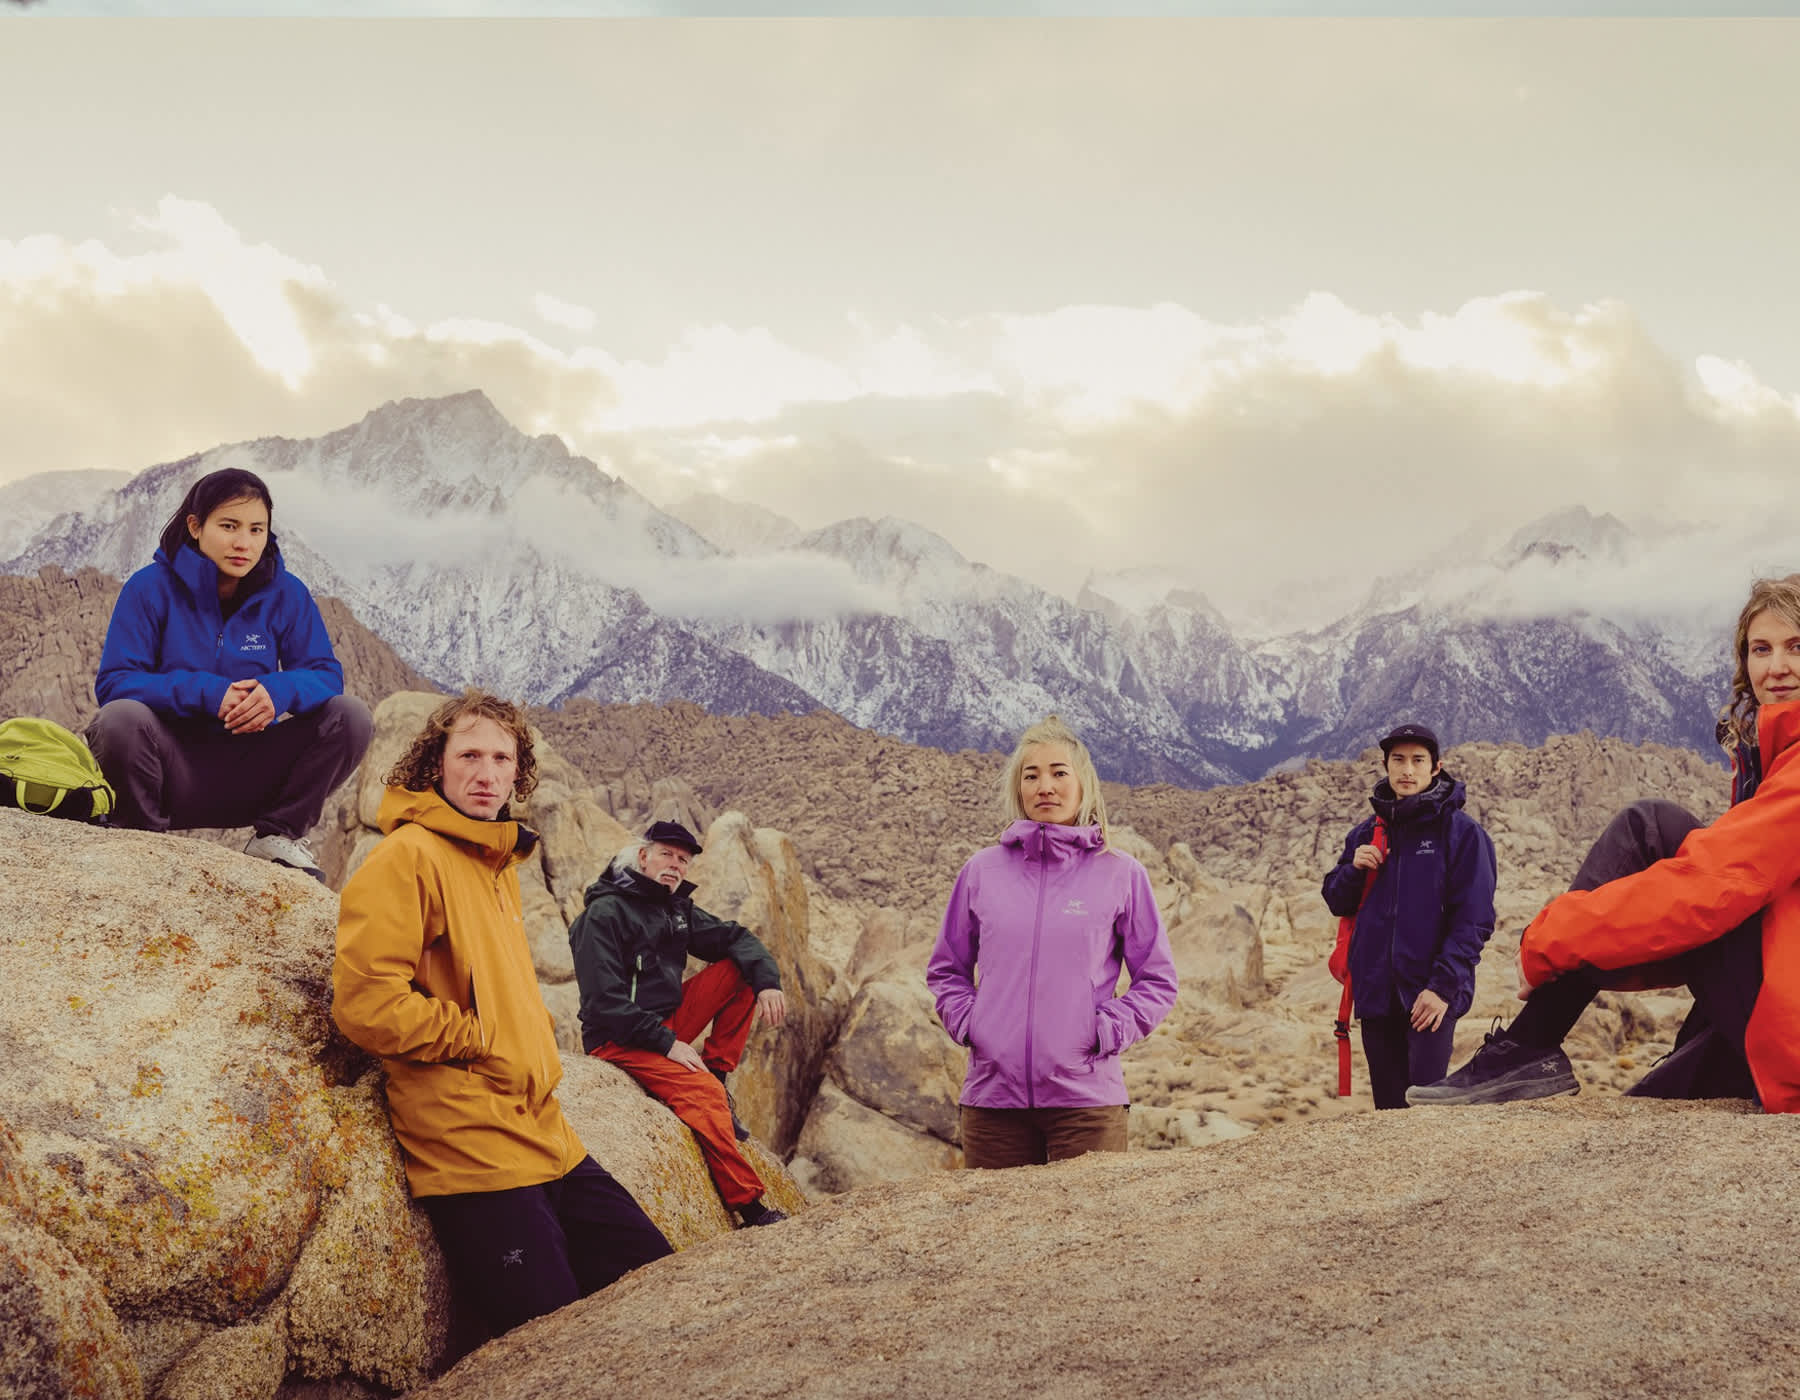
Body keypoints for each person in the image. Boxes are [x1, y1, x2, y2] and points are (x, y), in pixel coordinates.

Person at [333, 691, 672, 1340]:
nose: (486, 773)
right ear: (437, 767)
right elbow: (366, 1003)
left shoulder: (494, 861)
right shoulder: (407, 858)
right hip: (472, 1151)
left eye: (501, 757)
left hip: (546, 1136)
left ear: (519, 772)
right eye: (469, 755)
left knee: (663, 1288)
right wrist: (476, 1037)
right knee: (555, 1345)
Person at [1408, 573, 1800, 1112]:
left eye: (1795, 646)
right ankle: (1534, 1046)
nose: (1776, 666)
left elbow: (1711, 887)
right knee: (1648, 1106)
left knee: (1652, 827)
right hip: (1775, 1010)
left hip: (1790, 1032)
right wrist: (1594, 950)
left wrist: (1549, 943)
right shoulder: (1775, 759)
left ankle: (1530, 1043)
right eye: (1762, 649)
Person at [85, 467, 372, 881]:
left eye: (257, 529)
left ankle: (276, 836)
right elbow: (116, 682)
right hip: (169, 769)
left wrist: (279, 690)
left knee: (352, 716)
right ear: (196, 526)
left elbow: (325, 674)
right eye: (229, 526)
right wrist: (209, 693)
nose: (244, 542)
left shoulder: (286, 594)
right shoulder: (148, 589)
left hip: (250, 769)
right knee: (119, 722)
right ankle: (143, 840)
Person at [926, 714, 1179, 1169]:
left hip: (1086, 1102)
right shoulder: (981, 871)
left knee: (1090, 1236)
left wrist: (1106, 1030)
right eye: (1032, 775)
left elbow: (1157, 980)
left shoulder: (1121, 873)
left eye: (1059, 773)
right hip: (992, 1103)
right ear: (1018, 789)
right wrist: (972, 1025)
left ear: (1083, 784)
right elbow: (947, 969)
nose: (1045, 786)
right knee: (994, 1233)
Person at [568, 820, 790, 1228]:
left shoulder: (673, 908)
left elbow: (735, 938)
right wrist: (667, 1044)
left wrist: (768, 984)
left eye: (683, 860)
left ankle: (719, 1074)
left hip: (667, 1022)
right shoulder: (603, 915)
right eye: (667, 855)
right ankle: (751, 1207)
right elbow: (603, 1004)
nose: (675, 865)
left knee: (739, 970)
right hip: (619, 1038)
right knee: (699, 1093)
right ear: (643, 857)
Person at [1321, 722, 1498, 1109]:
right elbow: (1337, 900)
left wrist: (1441, 989)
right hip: (1376, 997)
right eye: (1398, 760)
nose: (1407, 770)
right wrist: (1354, 870)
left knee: (1426, 1110)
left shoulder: (1461, 833)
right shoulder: (1366, 833)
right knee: (1388, 1111)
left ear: (1436, 767)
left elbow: (1475, 919)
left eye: (1418, 760)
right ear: (1385, 765)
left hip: (1430, 998)